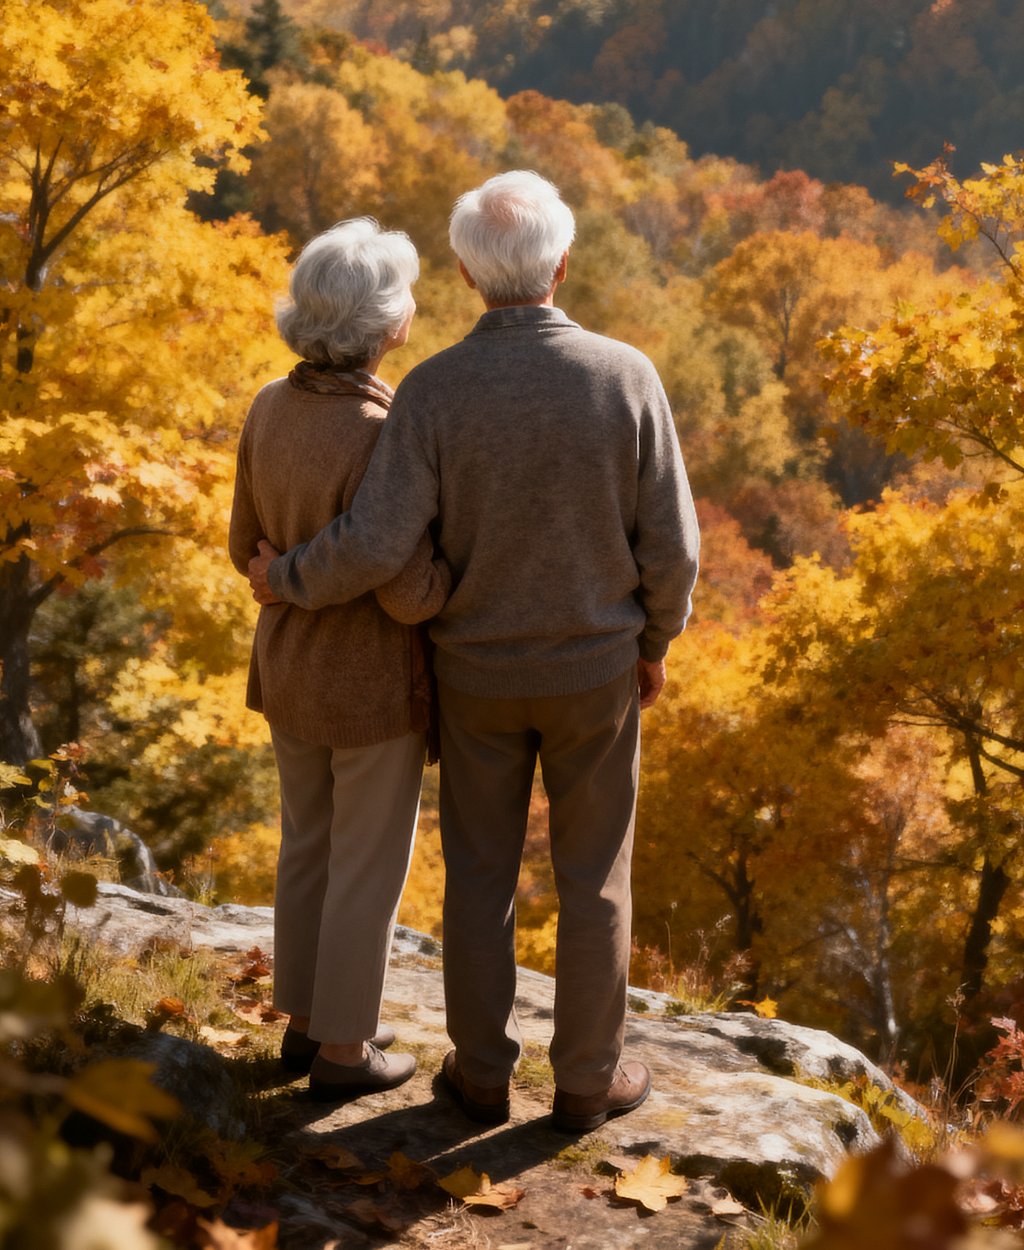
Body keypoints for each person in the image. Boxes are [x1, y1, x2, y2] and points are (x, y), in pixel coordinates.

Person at [248, 172, 699, 1132]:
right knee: (594, 877)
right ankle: (586, 1082)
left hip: (473, 676)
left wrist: (284, 579)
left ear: (461, 272)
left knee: (482, 875)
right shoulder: (627, 376)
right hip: (596, 672)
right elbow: (674, 546)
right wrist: (653, 641)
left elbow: (379, 543)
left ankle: (483, 1075)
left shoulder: (432, 390)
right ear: (563, 264)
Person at [229, 217, 450, 1100]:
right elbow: (402, 588)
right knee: (368, 863)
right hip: (368, 687)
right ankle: (347, 1054)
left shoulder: (267, 406)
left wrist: (281, 577)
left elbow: (242, 544)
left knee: (307, 847)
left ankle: (309, 1021)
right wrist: (445, 584)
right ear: (385, 323)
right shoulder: (380, 428)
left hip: (286, 671)